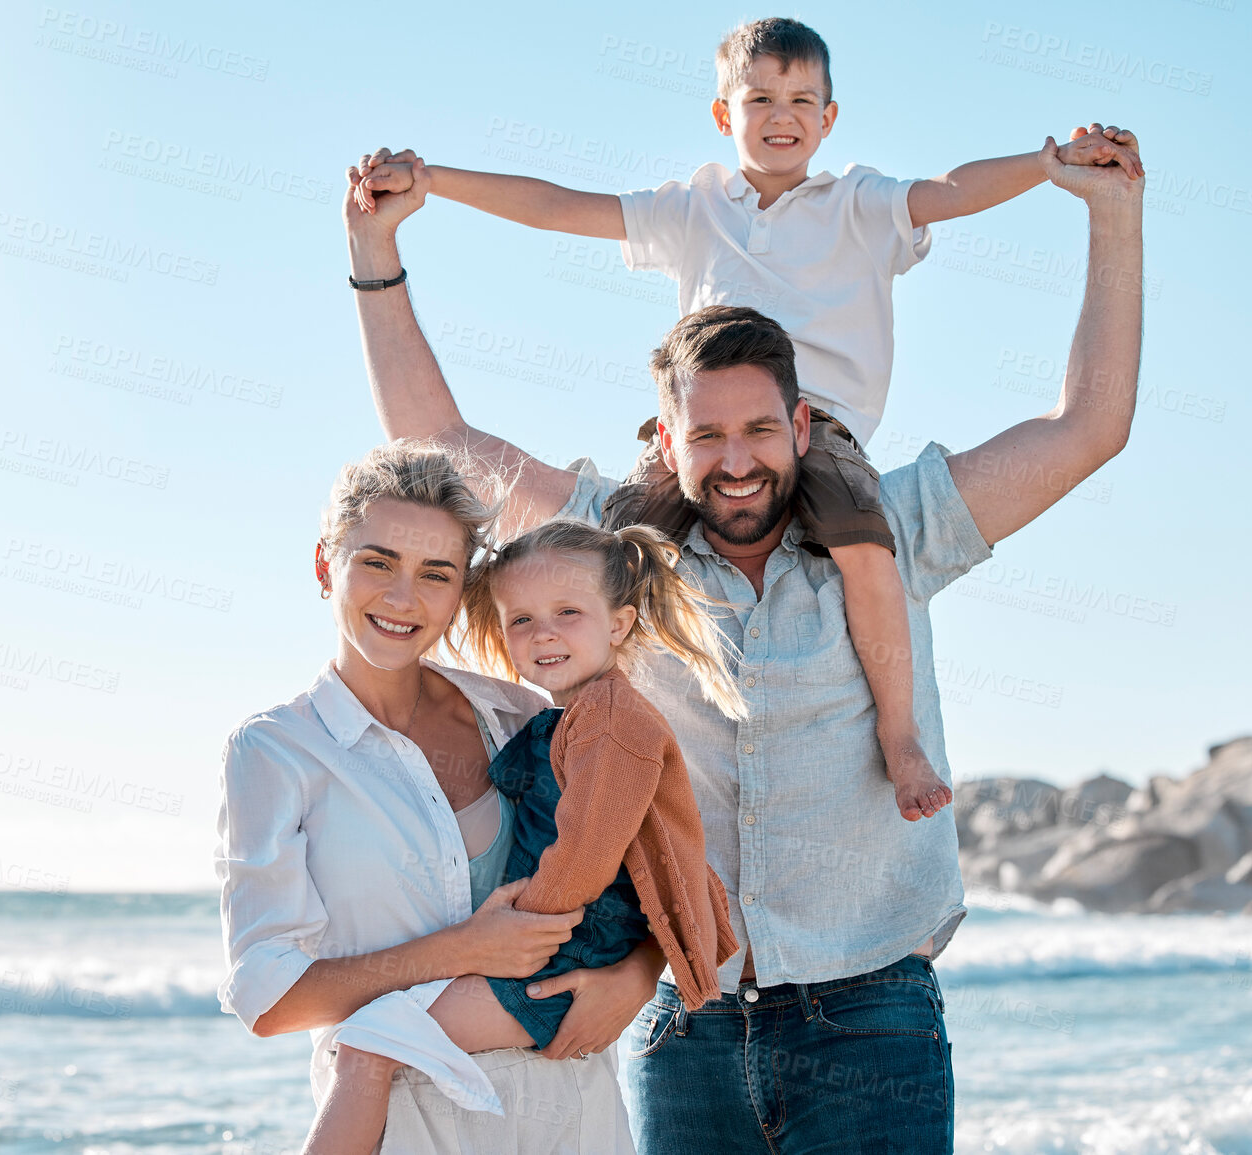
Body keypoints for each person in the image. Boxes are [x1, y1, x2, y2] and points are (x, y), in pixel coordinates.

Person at [340, 108, 1143, 1151]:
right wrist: (376, 254)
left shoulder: (900, 525)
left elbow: (1090, 426)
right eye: (706, 435)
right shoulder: (611, 552)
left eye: (762, 429)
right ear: (665, 441)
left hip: (876, 1022)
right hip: (689, 1025)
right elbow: (440, 442)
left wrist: (1112, 217)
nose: (736, 460)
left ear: (802, 427)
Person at [352, 16, 1140, 824]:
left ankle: (899, 737)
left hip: (830, 432)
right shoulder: (694, 208)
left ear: (829, 118)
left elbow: (954, 190)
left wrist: (1051, 168)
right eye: (758, 97)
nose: (780, 114)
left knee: (869, 556)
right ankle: (586, 762)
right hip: (688, 944)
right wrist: (432, 183)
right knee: (614, 566)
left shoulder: (860, 204)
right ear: (723, 114)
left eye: (801, 99)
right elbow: (561, 207)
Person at [216, 442, 660, 1153]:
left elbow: (643, 856)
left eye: (436, 573)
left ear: (461, 591)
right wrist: (460, 948)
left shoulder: (519, 714)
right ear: (326, 564)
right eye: (377, 561)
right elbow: (269, 998)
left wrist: (637, 977)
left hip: (571, 1109)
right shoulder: (275, 751)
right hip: (406, 1124)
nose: (402, 598)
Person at [305, 519, 745, 1154]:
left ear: (617, 624)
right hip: (560, 947)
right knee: (374, 1041)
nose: (543, 633)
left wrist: (510, 938)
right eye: (521, 620)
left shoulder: (616, 724)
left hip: (564, 957)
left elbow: (586, 856)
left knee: (367, 1046)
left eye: (568, 612)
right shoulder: (568, 715)